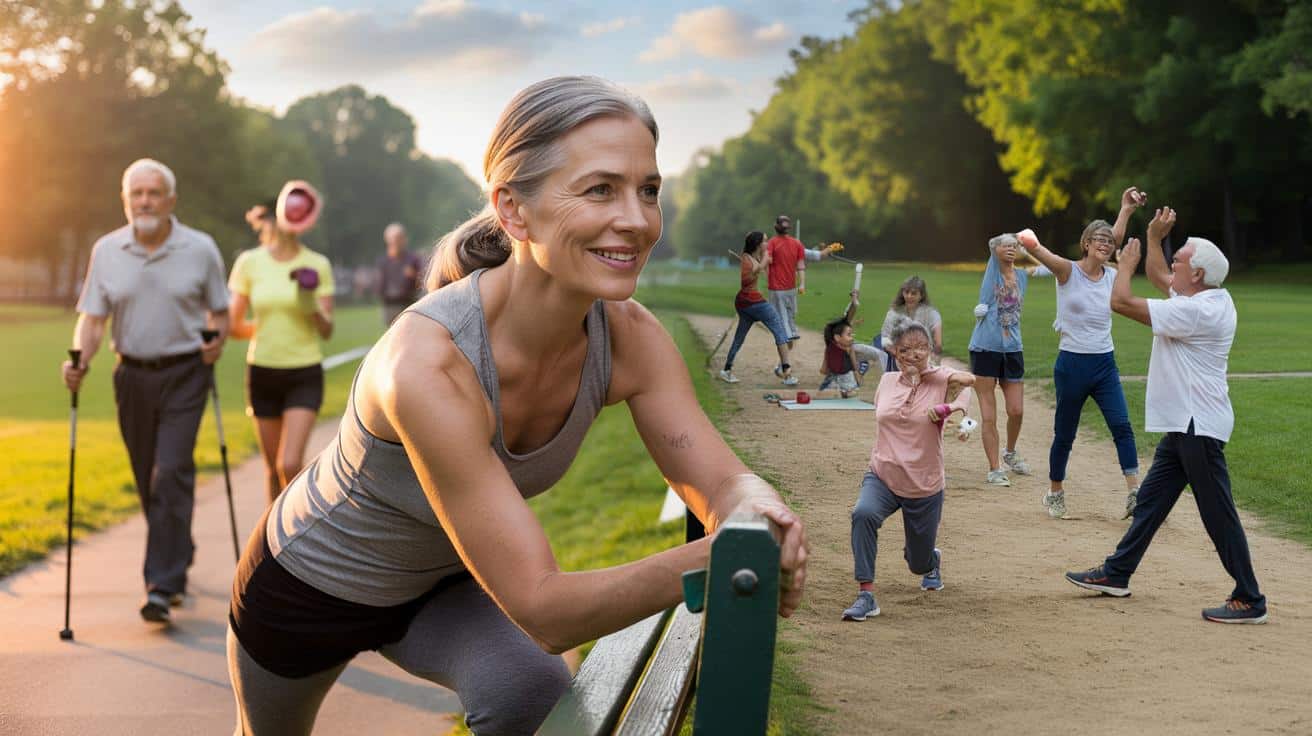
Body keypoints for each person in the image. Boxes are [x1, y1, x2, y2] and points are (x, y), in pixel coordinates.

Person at [226, 76, 810, 735]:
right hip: (306, 589)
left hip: (440, 587)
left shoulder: (629, 336)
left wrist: (760, 511)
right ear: (513, 211)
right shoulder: (429, 365)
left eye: (649, 190)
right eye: (601, 188)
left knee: (530, 694)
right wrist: (727, 556)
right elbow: (545, 609)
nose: (638, 219)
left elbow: (719, 479)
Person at [1066, 208, 1267, 624]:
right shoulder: (1208, 295)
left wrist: (1124, 266)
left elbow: (1120, 300)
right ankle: (1117, 572)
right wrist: (1155, 240)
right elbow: (1162, 279)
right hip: (1183, 425)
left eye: (1180, 260)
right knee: (1151, 504)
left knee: (1218, 514)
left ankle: (1250, 598)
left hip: (1198, 425)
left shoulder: (1198, 312)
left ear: (1196, 274)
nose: (1172, 265)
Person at [61, 158, 229, 624]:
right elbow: (92, 319)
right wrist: (80, 359)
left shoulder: (200, 249)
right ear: (125, 200)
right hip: (130, 376)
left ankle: (161, 584)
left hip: (185, 373)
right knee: (147, 477)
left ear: (170, 200)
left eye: (153, 193)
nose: (145, 202)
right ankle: (179, 545)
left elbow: (220, 311)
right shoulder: (107, 250)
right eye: (136, 194)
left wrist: (216, 340)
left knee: (170, 471)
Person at [1018, 187, 1146, 520]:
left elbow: (1112, 237)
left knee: (1122, 425)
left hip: (1105, 362)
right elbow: (1041, 253)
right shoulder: (1067, 270)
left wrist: (1126, 210)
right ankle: (1055, 491)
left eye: (1109, 242)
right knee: (1065, 433)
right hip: (1072, 364)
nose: (1105, 245)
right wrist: (1030, 243)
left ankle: (1134, 492)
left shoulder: (1113, 276)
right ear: (1085, 243)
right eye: (1098, 241)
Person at [842, 317, 976, 621]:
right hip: (883, 475)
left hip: (923, 484)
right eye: (905, 350)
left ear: (929, 349)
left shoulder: (942, 379)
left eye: (920, 348)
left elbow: (969, 382)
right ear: (895, 353)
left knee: (917, 562)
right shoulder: (887, 381)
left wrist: (950, 408)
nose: (912, 355)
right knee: (863, 514)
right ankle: (866, 595)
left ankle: (931, 562)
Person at [227, 181, 335, 503]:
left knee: (289, 464)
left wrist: (308, 303)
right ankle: (272, 547)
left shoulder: (318, 265)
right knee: (272, 470)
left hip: (303, 371)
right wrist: (264, 329)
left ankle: (300, 540)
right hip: (262, 370)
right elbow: (234, 326)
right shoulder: (250, 263)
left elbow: (326, 330)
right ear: (272, 220)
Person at [967, 233, 1038, 487]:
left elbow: (1048, 267)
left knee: (1016, 410)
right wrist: (1007, 242)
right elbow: (991, 245)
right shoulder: (993, 272)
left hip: (1013, 349)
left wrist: (1026, 247)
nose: (1009, 249)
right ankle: (994, 468)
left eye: (1013, 246)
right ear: (996, 249)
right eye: (1004, 246)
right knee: (989, 415)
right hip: (985, 349)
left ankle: (1009, 451)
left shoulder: (1021, 275)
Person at [719, 231, 798, 386]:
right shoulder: (747, 260)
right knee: (780, 331)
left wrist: (766, 263)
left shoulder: (754, 257)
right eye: (765, 241)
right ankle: (786, 372)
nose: (767, 243)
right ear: (757, 244)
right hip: (752, 302)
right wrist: (762, 265)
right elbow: (746, 280)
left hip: (745, 303)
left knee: (740, 336)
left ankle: (727, 369)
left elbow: (769, 266)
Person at [764, 214, 839, 349]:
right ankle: (789, 343)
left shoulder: (772, 243)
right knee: (789, 318)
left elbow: (766, 260)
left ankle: (785, 357)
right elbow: (816, 256)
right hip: (791, 289)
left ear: (776, 227)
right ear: (789, 228)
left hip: (776, 289)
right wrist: (830, 249)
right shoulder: (796, 244)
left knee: (782, 320)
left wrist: (757, 264)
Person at [874, 275, 943, 372]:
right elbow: (885, 339)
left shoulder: (931, 313)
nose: (909, 296)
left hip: (924, 360)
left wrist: (930, 361)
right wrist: (900, 356)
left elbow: (938, 344)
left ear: (921, 295)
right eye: (906, 292)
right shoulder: (893, 313)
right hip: (900, 361)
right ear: (902, 293)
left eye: (914, 293)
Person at [376, 222, 425, 326]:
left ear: (404, 239)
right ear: (387, 239)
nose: (396, 241)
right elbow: (378, 284)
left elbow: (423, 280)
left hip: (408, 304)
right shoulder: (383, 261)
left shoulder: (413, 259)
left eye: (399, 237)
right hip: (389, 306)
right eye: (393, 237)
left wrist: (414, 275)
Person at [817, 316, 860, 398]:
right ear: (837, 337)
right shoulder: (848, 348)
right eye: (849, 335)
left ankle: (842, 393)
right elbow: (855, 368)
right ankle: (843, 393)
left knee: (825, 394)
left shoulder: (829, 348)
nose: (852, 338)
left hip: (835, 381)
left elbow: (823, 370)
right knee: (851, 392)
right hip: (845, 381)